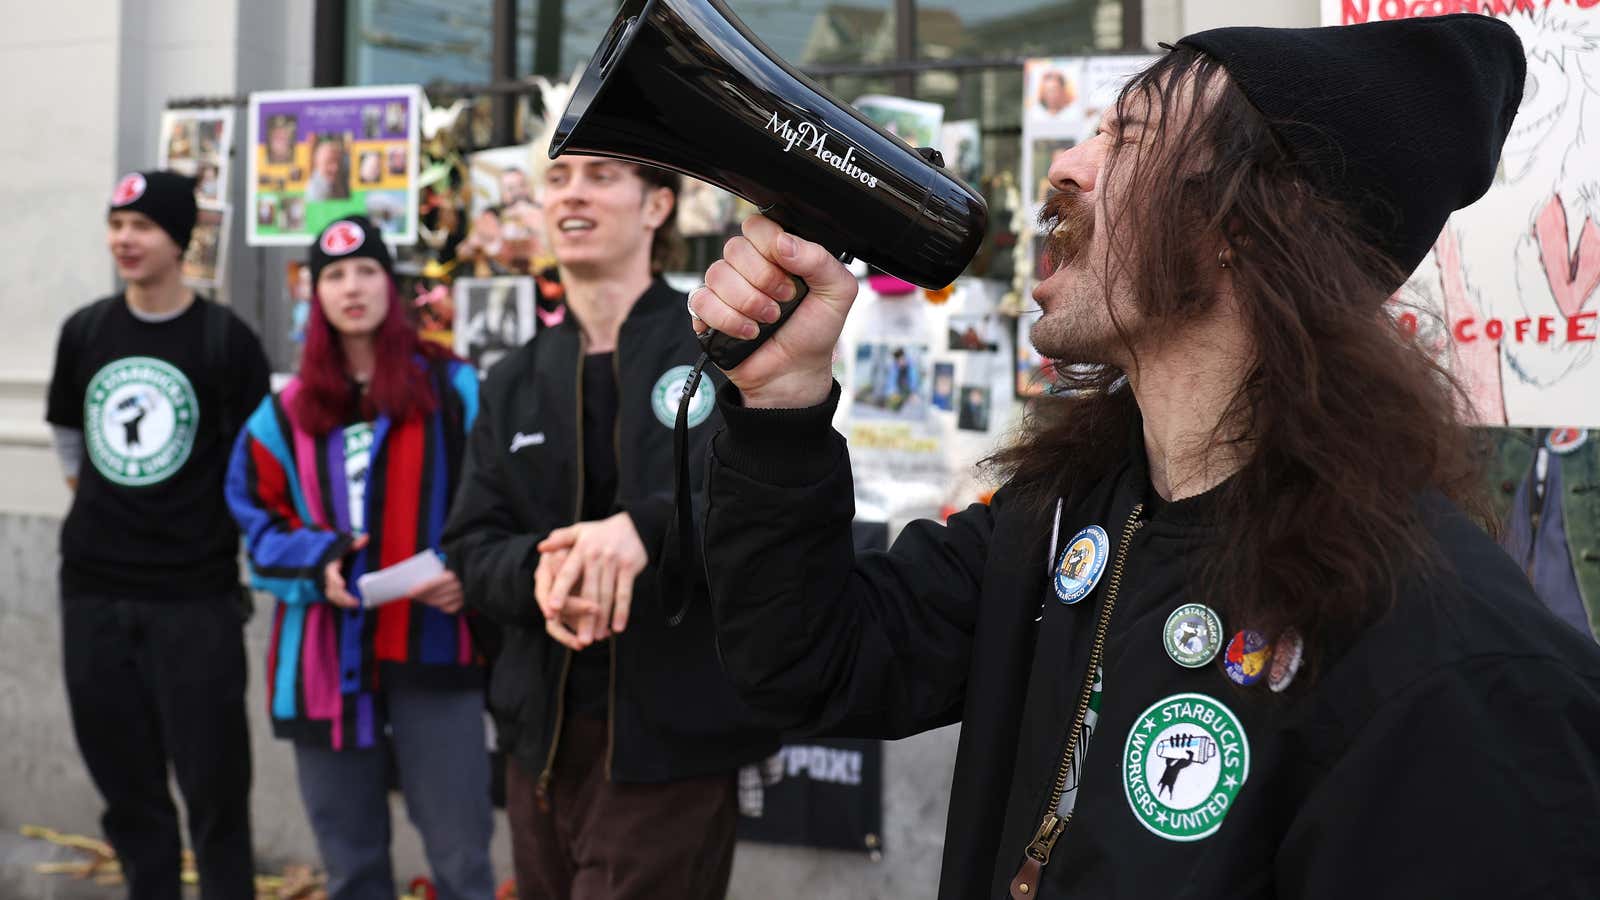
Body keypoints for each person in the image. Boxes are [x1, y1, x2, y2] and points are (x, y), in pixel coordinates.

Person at [676, 15, 1600, 899]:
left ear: (1245, 224)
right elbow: (812, 661)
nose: (1066, 167)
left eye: (1129, 135)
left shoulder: (1459, 667)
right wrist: (781, 405)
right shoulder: (1065, 521)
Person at [442, 156, 778, 900]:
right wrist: (542, 569)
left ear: (656, 206)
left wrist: (644, 530)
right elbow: (469, 547)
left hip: (671, 749)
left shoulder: (720, 352)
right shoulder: (513, 378)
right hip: (542, 747)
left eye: (599, 176)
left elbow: (767, 512)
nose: (572, 194)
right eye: (559, 179)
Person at [225, 216, 495, 900]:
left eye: (367, 270)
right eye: (334, 275)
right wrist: (321, 562)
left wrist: (464, 566)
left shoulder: (454, 387)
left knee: (462, 860)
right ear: (314, 294)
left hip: (438, 647)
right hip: (320, 663)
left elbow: (498, 495)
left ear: (391, 284)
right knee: (352, 869)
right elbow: (255, 523)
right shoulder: (281, 414)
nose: (352, 287)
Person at [46, 170, 271, 900]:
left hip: (194, 599)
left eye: (141, 226)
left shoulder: (225, 341)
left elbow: (253, 464)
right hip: (94, 593)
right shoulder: (84, 331)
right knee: (128, 789)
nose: (125, 240)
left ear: (178, 240)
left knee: (215, 788)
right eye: (116, 225)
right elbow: (71, 447)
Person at [306, 134, 350, 201]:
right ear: (317, 164)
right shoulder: (316, 190)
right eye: (329, 163)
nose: (336, 168)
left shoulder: (343, 180)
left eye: (338, 161)